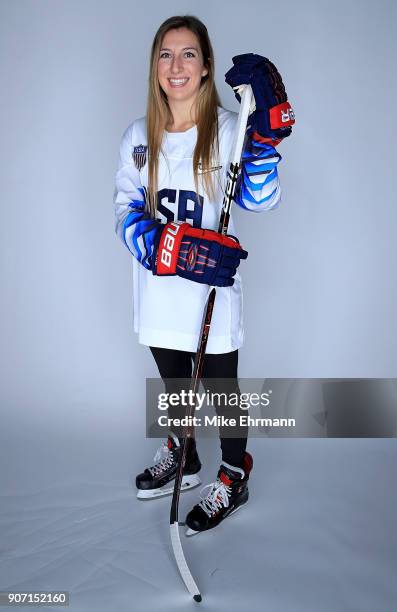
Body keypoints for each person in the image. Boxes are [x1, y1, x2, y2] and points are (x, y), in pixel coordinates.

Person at [114, 15, 293, 535]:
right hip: (158, 289)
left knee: (221, 389)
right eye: (166, 54)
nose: (176, 65)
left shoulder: (230, 132)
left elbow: (262, 199)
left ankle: (234, 474)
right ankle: (183, 451)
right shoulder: (136, 137)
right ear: (155, 66)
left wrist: (262, 145)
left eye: (188, 53)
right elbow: (124, 208)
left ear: (207, 65)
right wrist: (163, 247)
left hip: (211, 291)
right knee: (174, 383)